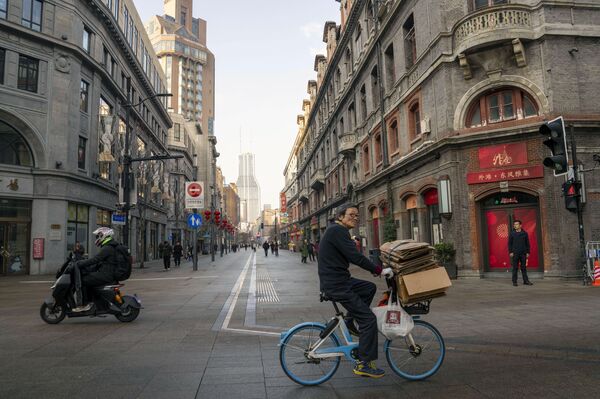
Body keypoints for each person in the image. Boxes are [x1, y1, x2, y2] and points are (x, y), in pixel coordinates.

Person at [318, 203, 392, 378]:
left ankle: (351, 320)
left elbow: (348, 254)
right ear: (340, 216)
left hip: (339, 280)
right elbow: (355, 257)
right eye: (351, 215)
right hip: (337, 284)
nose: (355, 218)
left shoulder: (338, 231)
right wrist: (379, 270)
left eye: (357, 215)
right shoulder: (337, 231)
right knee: (368, 320)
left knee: (369, 288)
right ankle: (364, 364)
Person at [72, 227, 122, 312]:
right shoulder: (109, 246)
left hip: (106, 274)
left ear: (104, 235)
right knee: (89, 278)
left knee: (84, 280)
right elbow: (100, 262)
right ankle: (93, 302)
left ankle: (85, 304)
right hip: (107, 272)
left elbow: (96, 259)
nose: (97, 238)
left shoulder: (107, 248)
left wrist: (80, 263)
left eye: (98, 236)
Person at [509, 220, 532, 286]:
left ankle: (526, 281)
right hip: (515, 253)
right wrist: (510, 252)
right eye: (514, 224)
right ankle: (514, 281)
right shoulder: (512, 234)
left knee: (523, 268)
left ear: (520, 225)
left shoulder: (525, 233)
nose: (515, 226)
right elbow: (509, 244)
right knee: (515, 268)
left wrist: (528, 252)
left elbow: (527, 243)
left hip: (523, 253)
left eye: (516, 224)